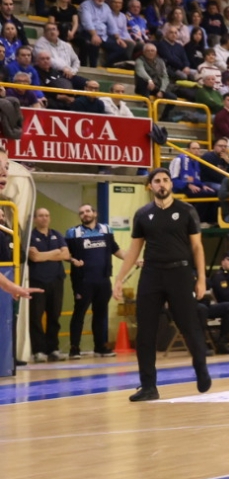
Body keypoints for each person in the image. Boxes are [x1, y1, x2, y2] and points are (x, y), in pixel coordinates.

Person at [114, 169, 212, 402]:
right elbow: (135, 248)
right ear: (150, 186)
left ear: (170, 184)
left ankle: (201, 367)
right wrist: (119, 278)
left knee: (188, 325)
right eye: (157, 181)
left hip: (179, 272)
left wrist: (201, 278)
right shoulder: (142, 214)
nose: (162, 184)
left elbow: (197, 247)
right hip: (151, 273)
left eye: (166, 180)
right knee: (146, 331)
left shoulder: (187, 211)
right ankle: (148, 386)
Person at [65, 203, 123, 358]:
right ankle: (74, 348)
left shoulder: (106, 230)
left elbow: (115, 249)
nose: (85, 214)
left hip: (103, 280)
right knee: (79, 314)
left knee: (101, 313)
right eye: (82, 212)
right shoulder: (73, 233)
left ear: (95, 213)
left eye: (88, 211)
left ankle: (100, 347)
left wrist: (133, 259)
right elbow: (65, 253)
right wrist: (72, 260)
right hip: (83, 281)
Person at [27, 207, 71, 362]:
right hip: (37, 281)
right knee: (36, 317)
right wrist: (55, 253)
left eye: (47, 215)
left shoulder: (56, 234)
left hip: (56, 281)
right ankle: (39, 350)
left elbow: (66, 254)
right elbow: (34, 258)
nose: (44, 218)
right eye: (40, 216)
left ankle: (53, 349)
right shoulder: (30, 236)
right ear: (35, 219)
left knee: (54, 316)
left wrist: (44, 255)